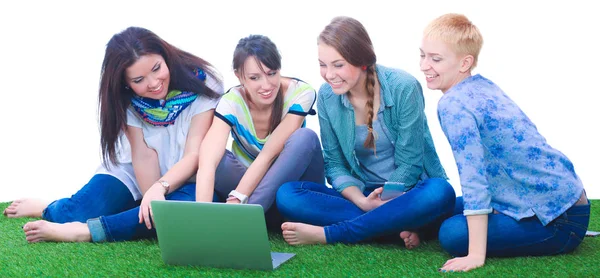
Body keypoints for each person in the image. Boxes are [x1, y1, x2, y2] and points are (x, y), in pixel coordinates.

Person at [3, 27, 224, 242]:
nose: (154, 83)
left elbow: (194, 153)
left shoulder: (203, 82)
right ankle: (47, 207)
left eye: (156, 68)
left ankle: (86, 232)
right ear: (125, 84)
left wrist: (160, 189)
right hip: (134, 172)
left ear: (165, 55)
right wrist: (150, 200)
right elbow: (143, 155)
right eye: (138, 80)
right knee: (74, 213)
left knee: (190, 206)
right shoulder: (124, 100)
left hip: (189, 177)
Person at [420, 14, 590, 272]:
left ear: (465, 62)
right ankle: (417, 230)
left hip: (558, 221)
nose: (424, 66)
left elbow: (473, 177)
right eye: (422, 55)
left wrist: (476, 254)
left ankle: (423, 230)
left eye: (435, 59)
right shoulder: (482, 85)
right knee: (444, 206)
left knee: (451, 232)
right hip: (564, 197)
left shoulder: (453, 105)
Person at [276, 16, 455, 247]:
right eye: (323, 64)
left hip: (407, 193)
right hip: (361, 196)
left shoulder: (404, 87)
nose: (329, 74)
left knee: (440, 192)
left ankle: (333, 233)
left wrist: (386, 200)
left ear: (362, 61)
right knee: (288, 195)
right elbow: (335, 163)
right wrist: (363, 202)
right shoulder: (327, 96)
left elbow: (410, 164)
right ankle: (400, 226)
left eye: (338, 65)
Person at [194, 34, 324, 228]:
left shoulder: (301, 92)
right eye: (255, 78)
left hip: (289, 187)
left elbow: (268, 155)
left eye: (272, 73)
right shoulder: (231, 102)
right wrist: (201, 219)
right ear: (239, 76)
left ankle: (244, 219)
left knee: (305, 137)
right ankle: (257, 215)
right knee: (214, 157)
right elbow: (207, 163)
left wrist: (239, 198)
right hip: (251, 189)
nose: (266, 85)